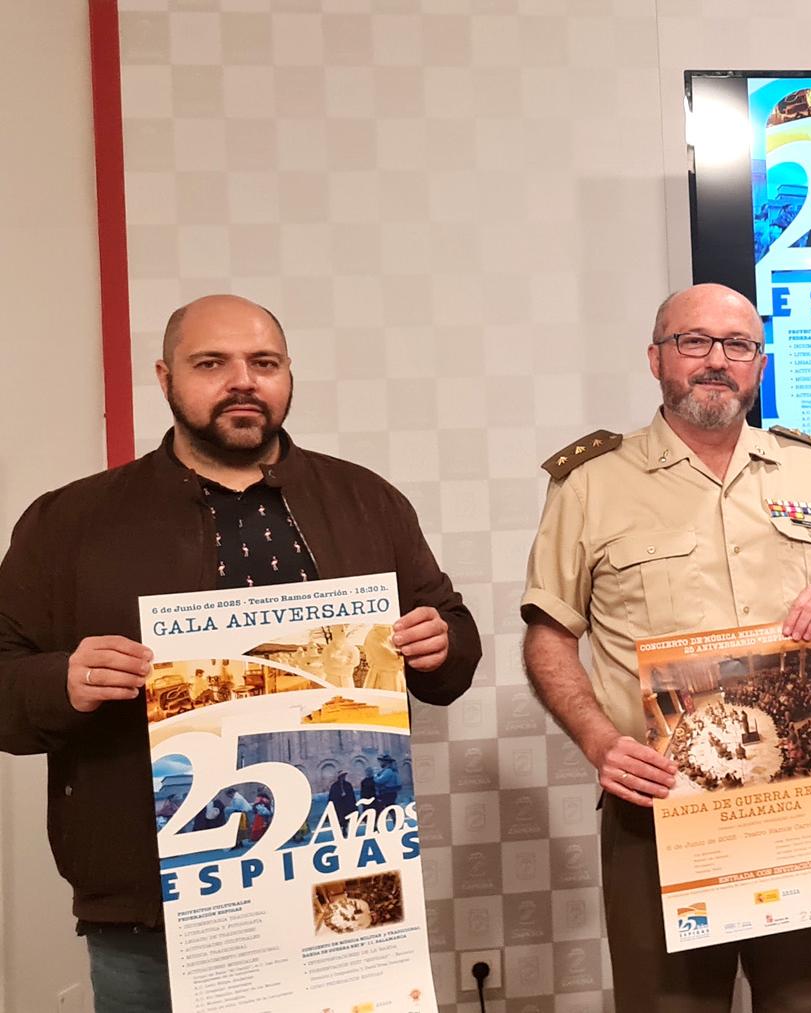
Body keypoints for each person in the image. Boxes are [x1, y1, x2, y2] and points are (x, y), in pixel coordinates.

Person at [0, 294, 480, 1013]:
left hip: (341, 888)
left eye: (264, 363)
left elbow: (453, 645)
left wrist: (440, 644)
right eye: (211, 363)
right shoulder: (70, 520)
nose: (243, 381)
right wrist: (60, 681)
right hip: (153, 915)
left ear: (288, 374)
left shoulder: (367, 500)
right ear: (164, 378)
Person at [520, 283, 811, 1011]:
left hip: (807, 798)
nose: (717, 360)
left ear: (760, 365)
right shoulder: (591, 483)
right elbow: (548, 636)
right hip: (660, 806)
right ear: (656, 358)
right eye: (694, 342)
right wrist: (599, 743)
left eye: (738, 345)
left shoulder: (808, 467)